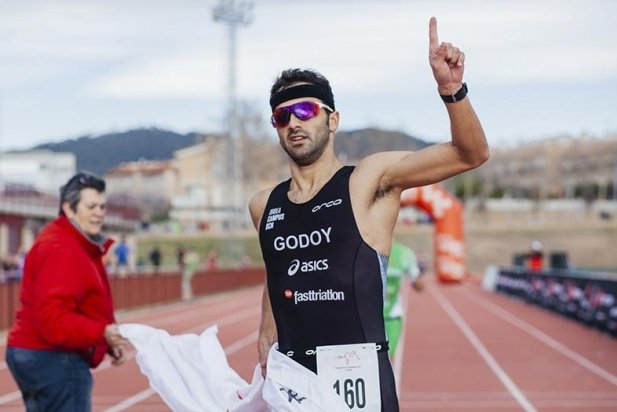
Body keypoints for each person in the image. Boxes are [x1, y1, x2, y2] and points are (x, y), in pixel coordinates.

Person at [249, 17, 489, 411]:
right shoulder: (264, 205)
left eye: (306, 109)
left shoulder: (368, 180)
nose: (294, 122)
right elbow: (276, 269)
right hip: (292, 383)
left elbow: (471, 153)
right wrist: (265, 331)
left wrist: (452, 90)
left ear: (333, 119)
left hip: (357, 382)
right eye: (282, 115)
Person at [5, 171, 129, 412]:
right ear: (69, 209)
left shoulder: (69, 242)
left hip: (38, 353)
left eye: (103, 206)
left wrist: (105, 339)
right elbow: (53, 318)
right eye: (91, 206)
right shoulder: (63, 248)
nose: (99, 212)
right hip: (53, 357)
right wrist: (101, 332)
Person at [383, 242, 423, 359]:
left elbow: (416, 282)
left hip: (393, 314)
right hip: (371, 315)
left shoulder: (403, 253)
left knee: (389, 355)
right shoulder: (367, 248)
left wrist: (417, 282)